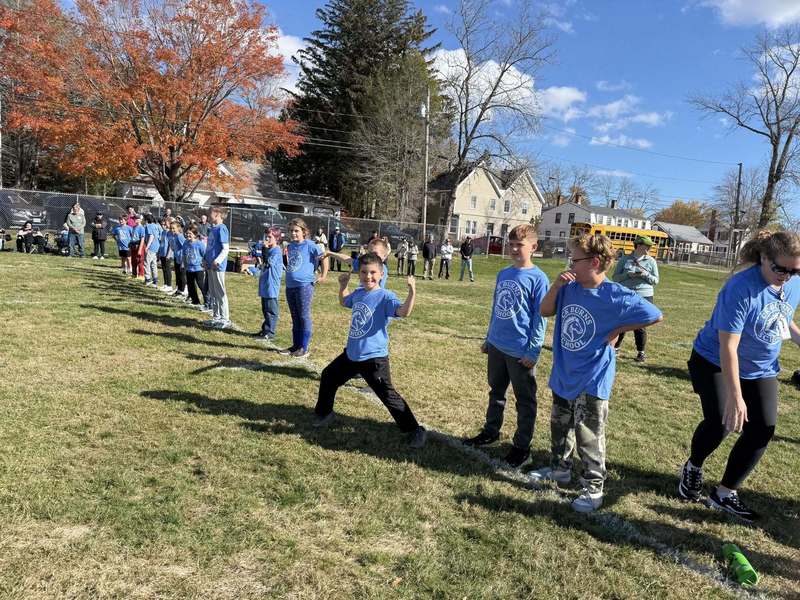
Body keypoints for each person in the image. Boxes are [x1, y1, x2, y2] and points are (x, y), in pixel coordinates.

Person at [530, 233, 663, 513]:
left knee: (589, 435)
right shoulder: (569, 286)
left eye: (574, 260)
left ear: (594, 262)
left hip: (592, 378)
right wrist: (556, 286)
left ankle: (593, 488)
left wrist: (617, 329)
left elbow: (654, 314)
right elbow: (544, 310)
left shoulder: (615, 294)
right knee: (560, 427)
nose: (570, 265)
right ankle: (560, 469)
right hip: (564, 371)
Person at [677, 231, 800, 522]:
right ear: (764, 258)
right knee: (723, 420)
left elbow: (784, 318)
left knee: (763, 428)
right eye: (781, 269)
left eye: (795, 271)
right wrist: (736, 396)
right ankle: (694, 466)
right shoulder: (740, 288)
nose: (787, 276)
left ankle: (724, 493)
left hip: (761, 368)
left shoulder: (792, 282)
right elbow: (728, 346)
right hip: (713, 360)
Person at [313, 252, 427, 448]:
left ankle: (415, 430)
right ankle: (325, 413)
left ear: (381, 274)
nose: (368, 276)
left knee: (387, 395)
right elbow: (344, 301)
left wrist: (412, 292)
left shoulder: (385, 296)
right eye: (364, 272)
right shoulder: (359, 293)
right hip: (352, 354)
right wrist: (343, 286)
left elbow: (403, 312)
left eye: (373, 272)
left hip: (374, 358)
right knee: (329, 376)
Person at [463, 224, 549, 468]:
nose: (514, 249)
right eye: (511, 244)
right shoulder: (503, 273)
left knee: (525, 401)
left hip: (520, 350)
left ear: (533, 247)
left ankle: (522, 448)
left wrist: (533, 350)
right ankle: (491, 433)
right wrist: (489, 338)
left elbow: (540, 318)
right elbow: (496, 308)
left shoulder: (539, 278)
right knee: (496, 392)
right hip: (497, 346)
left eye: (519, 245)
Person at [281, 217, 328, 357]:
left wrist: (323, 275)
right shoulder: (290, 246)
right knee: (295, 316)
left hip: (304, 286)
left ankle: (304, 347)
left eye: (296, 231)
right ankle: (295, 345)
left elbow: (324, 257)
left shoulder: (310, 245)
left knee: (303, 315)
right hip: (290, 285)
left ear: (304, 231)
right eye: (291, 231)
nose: (293, 233)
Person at [611, 235, 659, 362]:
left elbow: (655, 281)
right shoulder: (625, 259)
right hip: (626, 294)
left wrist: (645, 274)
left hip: (645, 295)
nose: (649, 248)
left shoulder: (651, 261)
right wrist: (627, 275)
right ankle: (616, 348)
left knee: (640, 325)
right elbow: (615, 278)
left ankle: (641, 352)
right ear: (638, 245)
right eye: (647, 246)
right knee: (622, 322)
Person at [203, 206, 232, 329]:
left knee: (220, 292)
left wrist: (217, 261)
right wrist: (205, 259)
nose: (209, 215)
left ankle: (225, 318)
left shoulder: (222, 228)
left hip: (217, 267)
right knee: (213, 292)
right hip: (210, 265)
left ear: (218, 214)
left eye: (211, 213)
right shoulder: (212, 229)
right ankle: (216, 316)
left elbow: (225, 249)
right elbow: (209, 247)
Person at [254, 227, 284, 340]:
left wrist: (265, 249)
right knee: (265, 308)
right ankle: (265, 329)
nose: (267, 239)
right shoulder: (268, 249)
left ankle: (270, 331)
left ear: (277, 238)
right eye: (266, 237)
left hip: (272, 282)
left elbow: (268, 262)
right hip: (265, 281)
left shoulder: (276, 251)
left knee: (271, 309)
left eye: (270, 237)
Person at [183, 225, 207, 307]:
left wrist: (204, 264)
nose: (188, 235)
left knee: (201, 285)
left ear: (195, 234)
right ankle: (195, 301)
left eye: (190, 233)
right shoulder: (185, 243)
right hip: (189, 269)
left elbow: (205, 255)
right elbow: (184, 255)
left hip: (198, 269)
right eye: (187, 233)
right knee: (191, 286)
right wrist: (184, 265)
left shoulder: (199, 244)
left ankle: (207, 302)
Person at [169, 220, 188, 299]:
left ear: (178, 228)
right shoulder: (174, 236)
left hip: (181, 259)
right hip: (177, 258)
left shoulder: (180, 236)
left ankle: (183, 291)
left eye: (174, 228)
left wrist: (184, 260)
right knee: (178, 275)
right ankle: (179, 290)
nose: (172, 230)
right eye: (171, 228)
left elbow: (185, 246)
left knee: (182, 275)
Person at [142, 214, 161, 287]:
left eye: (144, 219)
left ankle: (148, 279)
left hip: (151, 247)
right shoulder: (156, 225)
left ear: (147, 220)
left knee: (146, 263)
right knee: (153, 263)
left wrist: (147, 246)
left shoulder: (148, 226)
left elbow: (151, 236)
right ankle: (155, 280)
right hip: (156, 246)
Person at [157, 217, 174, 293]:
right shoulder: (163, 232)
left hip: (167, 254)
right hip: (162, 253)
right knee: (163, 269)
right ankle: (165, 284)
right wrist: (159, 253)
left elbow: (170, 245)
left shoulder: (170, 233)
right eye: (162, 224)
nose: (163, 225)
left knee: (167, 269)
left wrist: (168, 254)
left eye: (165, 223)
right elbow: (161, 243)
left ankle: (169, 285)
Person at [129, 214, 145, 278]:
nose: (134, 219)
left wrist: (140, 249)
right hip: (133, 245)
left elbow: (142, 239)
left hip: (139, 245)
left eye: (136, 218)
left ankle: (141, 275)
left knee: (139, 260)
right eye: (134, 218)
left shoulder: (141, 228)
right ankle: (134, 274)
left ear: (140, 220)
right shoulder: (134, 227)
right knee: (133, 260)